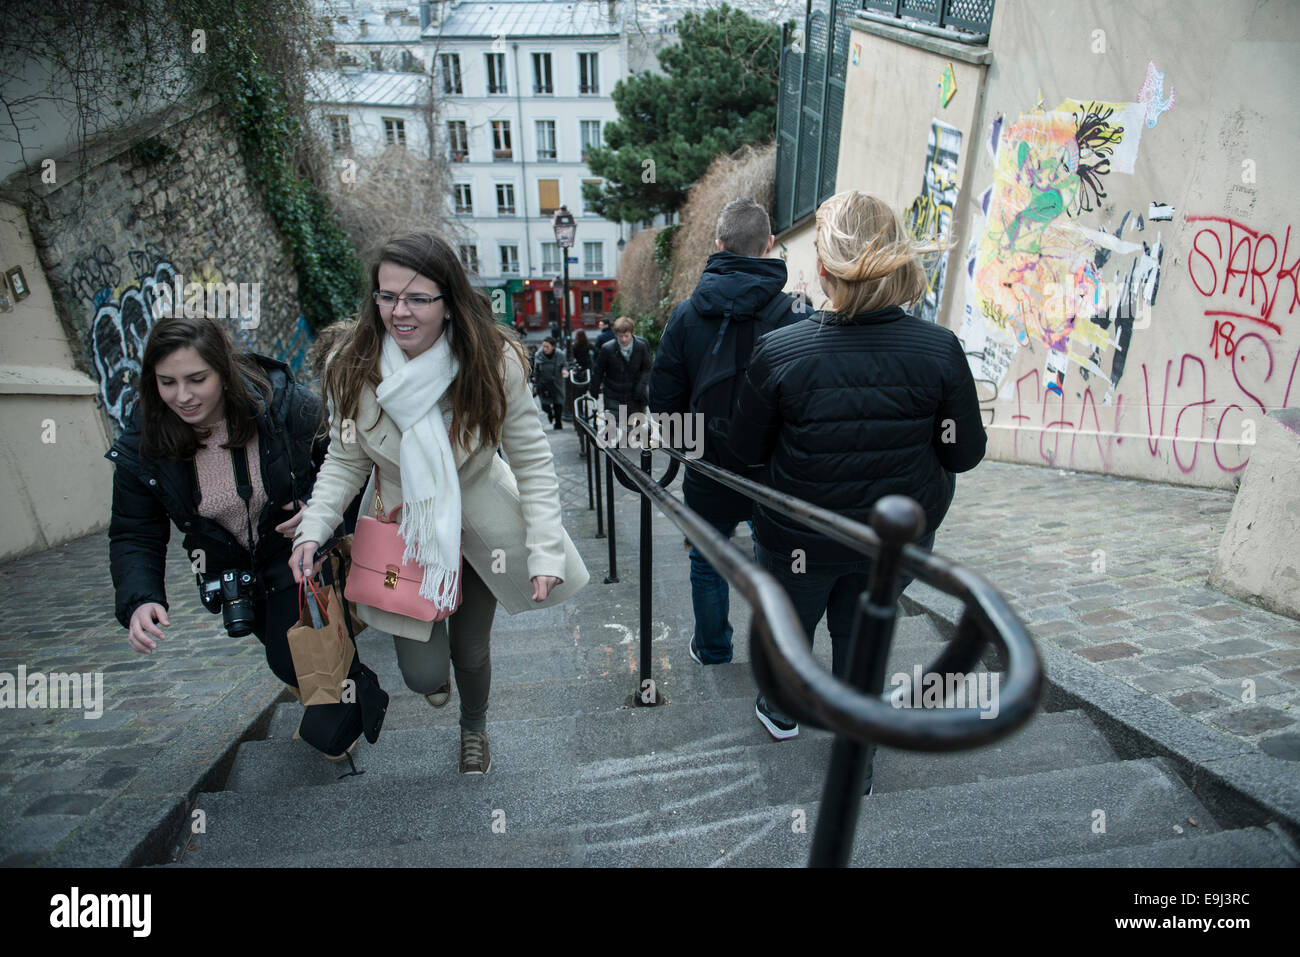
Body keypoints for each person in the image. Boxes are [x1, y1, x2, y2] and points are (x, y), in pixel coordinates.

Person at [289, 231, 589, 775]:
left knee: (470, 652)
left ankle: (474, 728)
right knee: (423, 675)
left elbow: (533, 462)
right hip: (403, 534)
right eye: (386, 297)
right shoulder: (354, 365)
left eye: (416, 298)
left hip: (477, 527)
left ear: (449, 302)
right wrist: (314, 527)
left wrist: (544, 550)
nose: (398, 312)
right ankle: (440, 681)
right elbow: (345, 459)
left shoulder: (493, 363)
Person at [726, 191, 986, 776]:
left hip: (799, 536)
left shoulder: (780, 351)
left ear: (822, 269)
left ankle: (782, 709)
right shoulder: (939, 349)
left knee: (792, 627)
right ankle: (855, 754)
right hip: (892, 541)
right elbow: (963, 453)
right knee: (862, 634)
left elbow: (744, 452)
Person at [107, 315, 329, 694]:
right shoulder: (144, 443)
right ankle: (324, 696)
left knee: (291, 655)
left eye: (197, 379)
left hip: (292, 553)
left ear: (223, 372)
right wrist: (141, 600)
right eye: (167, 382)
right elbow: (135, 530)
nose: (183, 396)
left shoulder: (283, 404)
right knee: (287, 653)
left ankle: (338, 711)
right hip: (226, 568)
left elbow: (344, 464)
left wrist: (320, 512)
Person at [649, 198, 806, 667]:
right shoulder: (798, 312)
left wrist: (690, 451)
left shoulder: (685, 316)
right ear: (770, 244)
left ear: (718, 245)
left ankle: (714, 648)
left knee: (707, 560)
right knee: (775, 565)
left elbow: (663, 403)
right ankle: (773, 657)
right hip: (772, 471)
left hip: (710, 468)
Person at [589, 316, 651, 430]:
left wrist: (641, 386)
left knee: (634, 428)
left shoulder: (641, 347)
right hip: (613, 394)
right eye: (620, 336)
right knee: (616, 428)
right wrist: (594, 389)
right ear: (616, 334)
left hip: (635, 394)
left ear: (632, 333)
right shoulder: (607, 349)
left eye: (626, 336)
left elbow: (647, 368)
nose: (623, 339)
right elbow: (599, 370)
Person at [532, 335, 567, 430]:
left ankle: (558, 423)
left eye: (547, 346)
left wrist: (564, 370)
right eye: (543, 346)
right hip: (544, 383)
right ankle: (550, 413)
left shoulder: (560, 354)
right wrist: (535, 384)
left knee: (558, 403)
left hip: (557, 383)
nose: (545, 349)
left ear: (553, 347)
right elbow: (536, 371)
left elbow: (565, 365)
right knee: (545, 405)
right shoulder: (539, 355)